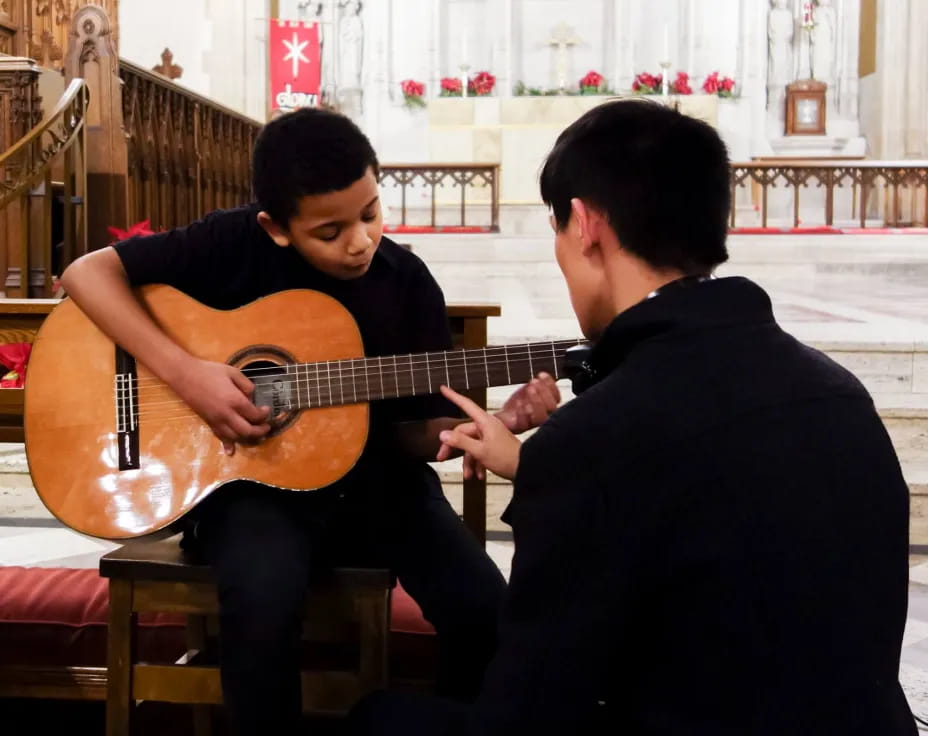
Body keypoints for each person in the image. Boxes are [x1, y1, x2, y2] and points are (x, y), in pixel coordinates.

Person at [350, 98, 916, 735]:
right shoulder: (838, 394)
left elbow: (531, 710)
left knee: (379, 719)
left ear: (586, 226)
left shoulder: (596, 436)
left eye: (557, 231)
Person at [59, 108, 561, 735]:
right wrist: (187, 372)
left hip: (381, 486)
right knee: (263, 600)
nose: (360, 241)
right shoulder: (230, 243)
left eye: (371, 213)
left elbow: (415, 431)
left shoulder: (404, 282)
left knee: (486, 609)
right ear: (276, 227)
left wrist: (484, 425)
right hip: (252, 488)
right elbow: (84, 273)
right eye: (330, 231)